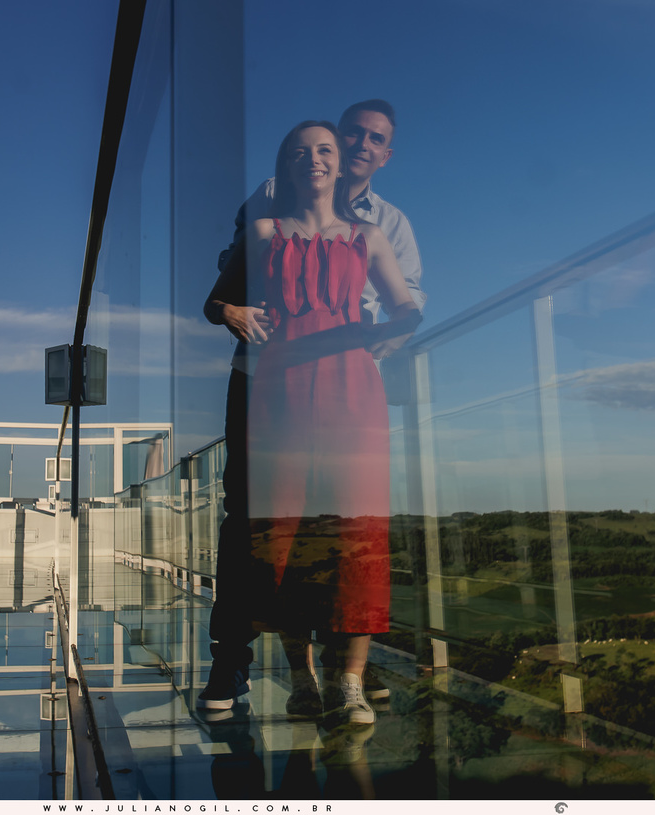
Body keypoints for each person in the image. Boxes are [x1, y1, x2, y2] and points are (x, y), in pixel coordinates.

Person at [198, 100, 424, 716]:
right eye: (314, 148)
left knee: (353, 527)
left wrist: (386, 335)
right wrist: (233, 310)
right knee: (269, 527)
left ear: (383, 152)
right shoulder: (268, 211)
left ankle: (348, 672)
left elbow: (410, 302)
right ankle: (247, 664)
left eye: (366, 141)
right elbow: (226, 284)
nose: (333, 154)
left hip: (349, 385)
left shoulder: (384, 227)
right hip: (271, 382)